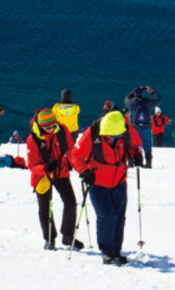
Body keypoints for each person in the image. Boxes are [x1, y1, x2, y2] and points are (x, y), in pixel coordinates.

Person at [71, 107, 144, 265]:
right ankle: (106, 251)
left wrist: (137, 155)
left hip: (119, 180)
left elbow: (136, 145)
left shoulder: (126, 130)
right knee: (106, 215)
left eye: (116, 135)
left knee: (119, 216)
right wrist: (84, 172)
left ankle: (116, 251)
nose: (113, 138)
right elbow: (75, 156)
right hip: (97, 182)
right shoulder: (92, 133)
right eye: (110, 135)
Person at [27, 107, 82, 250]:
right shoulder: (33, 139)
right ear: (40, 125)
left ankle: (68, 236)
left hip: (60, 171)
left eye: (53, 124)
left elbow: (71, 151)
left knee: (71, 202)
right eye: (48, 126)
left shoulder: (62, 130)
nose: (52, 128)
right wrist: (45, 168)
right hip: (42, 176)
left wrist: (80, 167)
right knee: (45, 207)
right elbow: (32, 165)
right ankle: (49, 238)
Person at [125, 85, 161, 168]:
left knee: (133, 145)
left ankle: (131, 162)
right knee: (147, 146)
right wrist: (152, 91)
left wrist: (134, 91)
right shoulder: (147, 102)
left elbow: (126, 98)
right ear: (142, 94)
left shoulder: (131, 103)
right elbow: (158, 99)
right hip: (146, 127)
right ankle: (148, 164)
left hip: (135, 127)